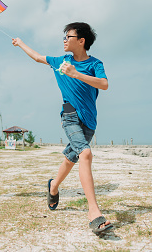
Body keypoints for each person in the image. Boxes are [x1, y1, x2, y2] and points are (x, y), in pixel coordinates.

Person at [12, 22, 113, 236]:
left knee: (71, 158)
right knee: (85, 154)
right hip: (69, 116)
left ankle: (53, 187)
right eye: (64, 37)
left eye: (68, 36)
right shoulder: (60, 61)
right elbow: (38, 57)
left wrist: (76, 74)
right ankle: (94, 212)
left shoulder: (95, 63)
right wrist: (20, 43)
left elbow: (104, 84)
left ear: (81, 41)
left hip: (89, 121)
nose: (64, 40)